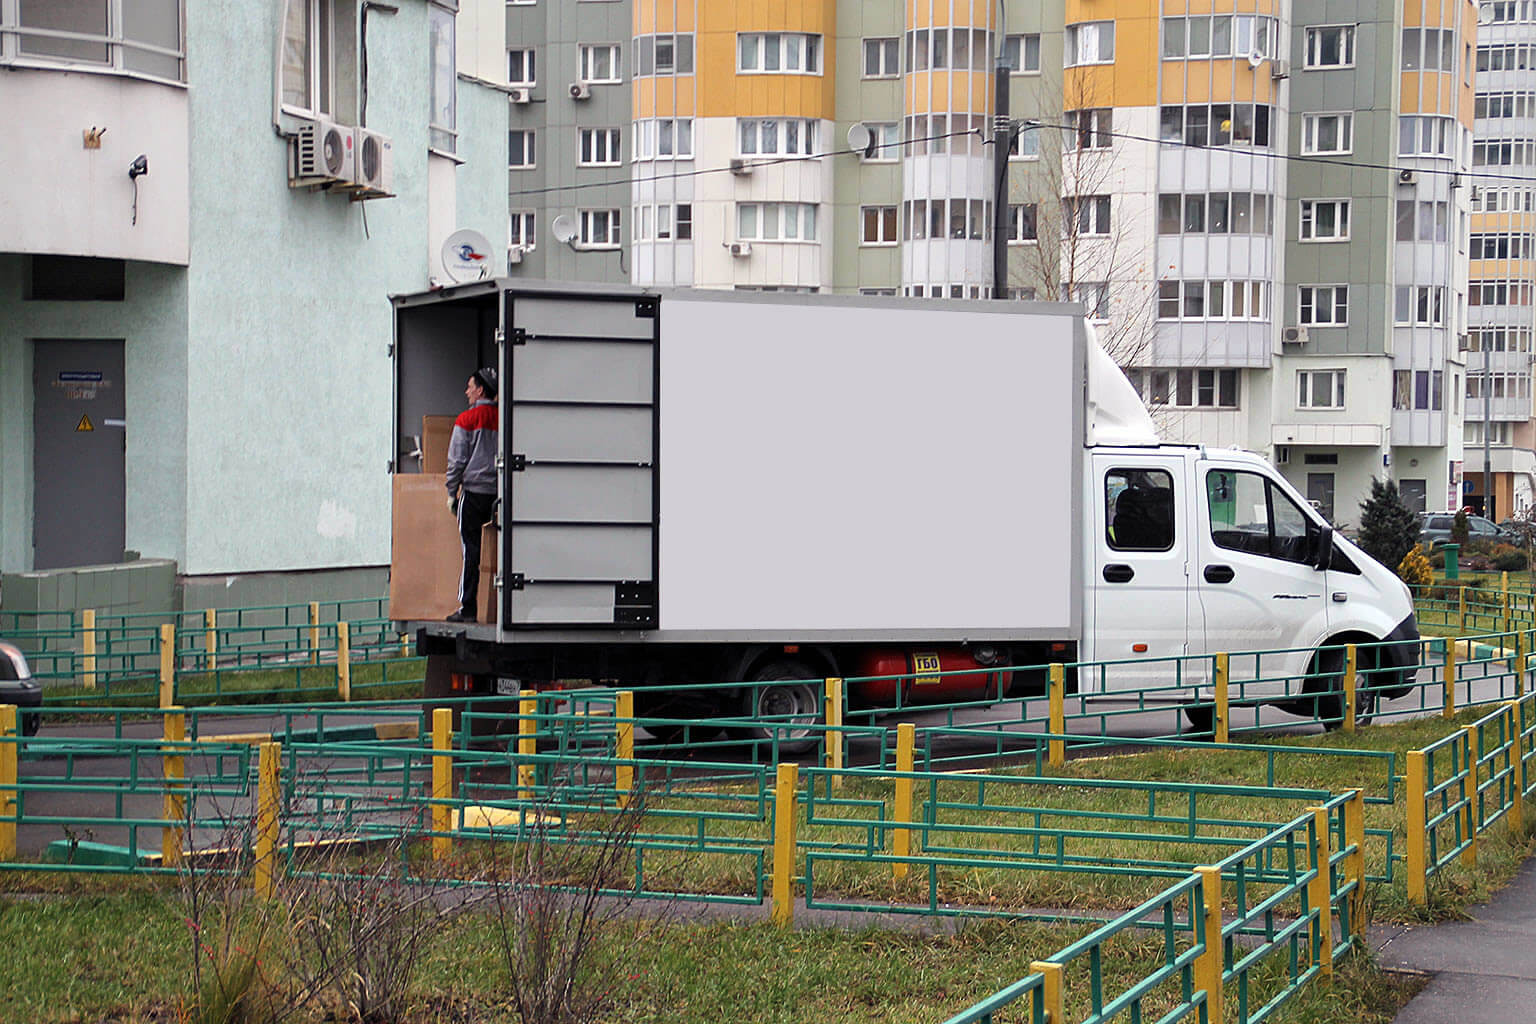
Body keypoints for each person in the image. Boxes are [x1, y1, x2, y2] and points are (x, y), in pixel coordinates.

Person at [444, 367, 498, 622]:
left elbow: (456, 460)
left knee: (471, 551)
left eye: (470, 386)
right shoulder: (505, 419)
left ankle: (468, 608)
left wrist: (451, 492)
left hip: (474, 494)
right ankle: (498, 606)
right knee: (499, 550)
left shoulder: (466, 420)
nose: (467, 391)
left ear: (480, 390)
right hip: (499, 497)